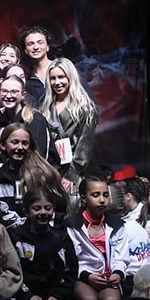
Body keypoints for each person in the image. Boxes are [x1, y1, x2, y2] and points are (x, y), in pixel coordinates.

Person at [65, 175, 133, 300]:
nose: (102, 200)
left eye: (105, 195)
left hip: (108, 277)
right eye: (95, 195)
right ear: (84, 198)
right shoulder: (73, 226)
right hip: (83, 277)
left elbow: (121, 257)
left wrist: (118, 274)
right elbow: (72, 262)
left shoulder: (117, 224)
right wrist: (87, 276)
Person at [11, 189, 78, 300]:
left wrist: (58, 295)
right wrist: (27, 296)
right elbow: (12, 272)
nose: (43, 213)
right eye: (37, 208)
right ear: (27, 211)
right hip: (28, 291)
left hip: (54, 291)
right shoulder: (17, 238)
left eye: (48, 208)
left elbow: (70, 271)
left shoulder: (61, 238)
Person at [39, 57, 99, 197]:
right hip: (50, 172)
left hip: (75, 175)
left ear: (70, 78)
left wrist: (71, 175)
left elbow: (84, 147)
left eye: (61, 77)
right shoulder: (45, 108)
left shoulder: (85, 109)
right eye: (53, 78)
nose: (57, 82)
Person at [0, 123, 68, 227]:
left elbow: (60, 207)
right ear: (3, 145)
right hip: (7, 235)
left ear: (30, 147)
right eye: (15, 142)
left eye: (25, 143)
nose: (20, 147)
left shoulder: (43, 174)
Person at [0, 74, 57, 166]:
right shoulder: (0, 118)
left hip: (34, 173)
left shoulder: (34, 119)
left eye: (14, 92)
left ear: (22, 95)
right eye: (4, 91)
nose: (8, 96)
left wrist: (6, 167)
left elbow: (39, 156)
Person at [19, 24, 54, 106]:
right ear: (25, 50)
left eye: (40, 42)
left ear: (47, 47)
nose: (35, 47)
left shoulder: (63, 69)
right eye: (30, 44)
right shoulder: (27, 79)